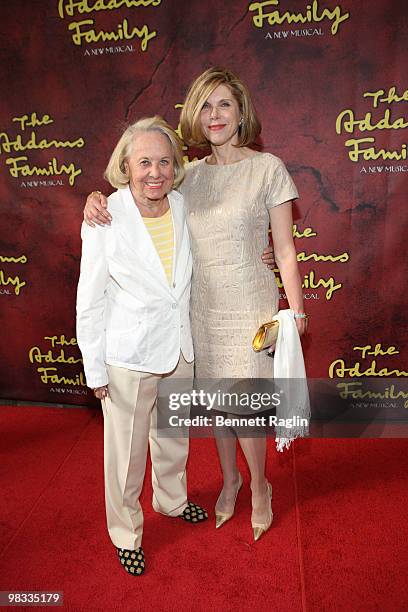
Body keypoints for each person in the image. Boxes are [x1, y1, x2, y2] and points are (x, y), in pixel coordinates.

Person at [84, 67, 308, 542]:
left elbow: (284, 248)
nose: (215, 115)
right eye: (205, 106)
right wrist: (93, 198)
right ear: (195, 118)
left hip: (249, 306)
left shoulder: (268, 169)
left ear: (241, 110)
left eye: (224, 104)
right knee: (215, 407)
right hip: (198, 312)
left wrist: (297, 310)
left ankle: (261, 487)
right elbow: (139, 195)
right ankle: (229, 482)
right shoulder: (187, 177)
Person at [76, 116, 207, 577]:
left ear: (176, 167)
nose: (156, 171)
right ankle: (126, 532)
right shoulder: (105, 216)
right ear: (126, 166)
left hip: (178, 349)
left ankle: (172, 501)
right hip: (128, 358)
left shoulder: (183, 205)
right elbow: (88, 302)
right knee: (126, 454)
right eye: (144, 162)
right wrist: (94, 370)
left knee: (173, 438)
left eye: (165, 162)